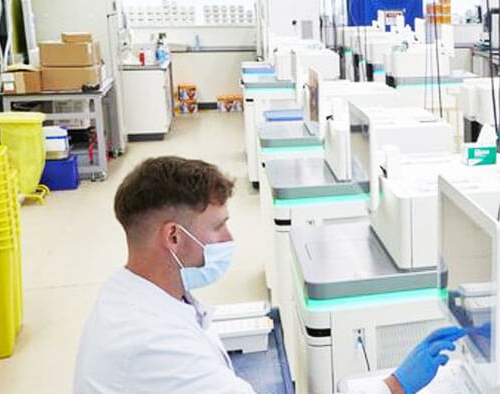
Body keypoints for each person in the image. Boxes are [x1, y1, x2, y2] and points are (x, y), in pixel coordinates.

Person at [74, 157, 461, 394]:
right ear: (173, 236)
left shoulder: (135, 294)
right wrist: (394, 387)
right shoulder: (156, 347)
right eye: (217, 227)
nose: (229, 239)